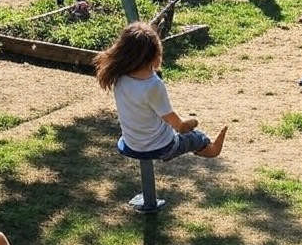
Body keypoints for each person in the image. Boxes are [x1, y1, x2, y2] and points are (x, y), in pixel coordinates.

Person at [95, 21, 227, 160]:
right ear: (155, 55)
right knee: (195, 138)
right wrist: (193, 122)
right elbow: (180, 126)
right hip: (159, 148)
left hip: (130, 145)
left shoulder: (119, 75)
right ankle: (211, 150)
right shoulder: (153, 85)